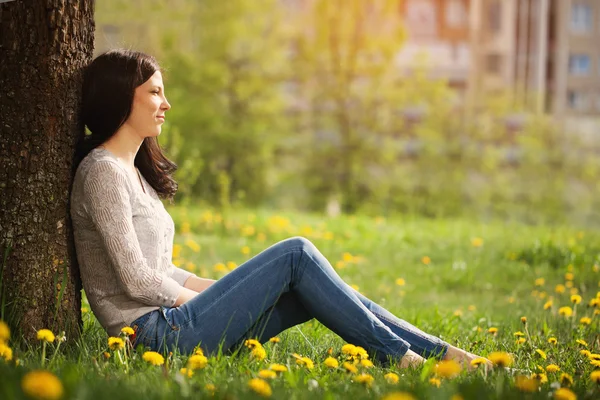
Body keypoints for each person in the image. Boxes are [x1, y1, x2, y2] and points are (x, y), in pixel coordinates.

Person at [71, 49, 490, 370]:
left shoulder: (134, 172)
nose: (166, 103)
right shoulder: (103, 173)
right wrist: (212, 300)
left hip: (174, 323)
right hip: (153, 337)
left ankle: (439, 354)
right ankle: (402, 358)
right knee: (296, 252)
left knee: (318, 289)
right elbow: (136, 279)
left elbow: (161, 269)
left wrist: (225, 291)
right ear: (121, 99)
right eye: (155, 92)